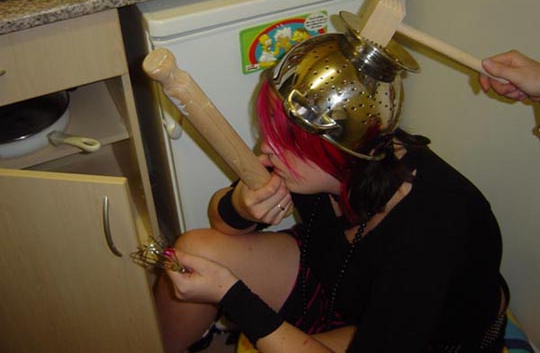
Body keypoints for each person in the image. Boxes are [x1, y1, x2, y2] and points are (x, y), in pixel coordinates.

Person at [154, 54, 508, 353]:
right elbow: (221, 219)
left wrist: (233, 296)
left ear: (337, 151)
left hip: (425, 338)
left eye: (283, 141)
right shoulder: (337, 155)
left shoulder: (433, 228)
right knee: (194, 251)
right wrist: (241, 205)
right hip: (339, 281)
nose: (265, 149)